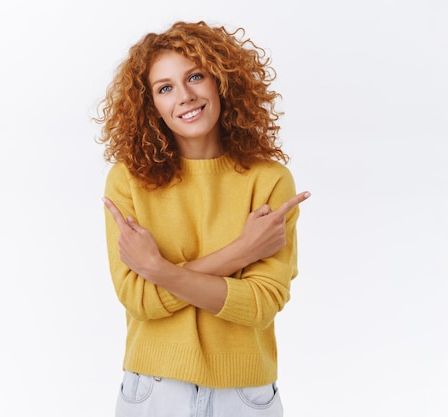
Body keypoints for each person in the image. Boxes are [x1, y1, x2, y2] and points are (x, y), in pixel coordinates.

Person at [95, 20, 310, 417]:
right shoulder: (127, 181)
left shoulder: (269, 180)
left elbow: (261, 303)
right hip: (154, 388)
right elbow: (139, 300)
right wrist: (242, 251)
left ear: (222, 81)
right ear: (151, 106)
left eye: (196, 76)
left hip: (245, 393)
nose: (185, 96)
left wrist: (157, 269)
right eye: (165, 88)